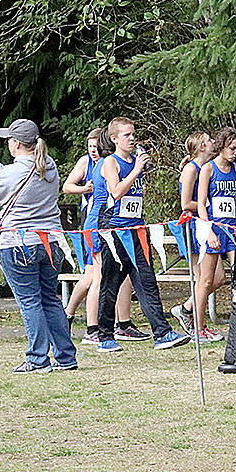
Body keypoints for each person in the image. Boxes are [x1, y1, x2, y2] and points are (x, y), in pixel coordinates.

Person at [0, 119, 77, 374]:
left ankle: (38, 358)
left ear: (16, 143)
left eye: (9, 140)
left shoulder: (14, 172)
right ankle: (65, 356)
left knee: (29, 301)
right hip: (51, 242)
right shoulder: (49, 166)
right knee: (50, 299)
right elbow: (18, 176)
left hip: (18, 243)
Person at [94, 117, 189, 353]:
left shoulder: (136, 162)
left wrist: (139, 175)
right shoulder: (109, 162)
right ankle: (104, 335)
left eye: (133, 134)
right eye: (126, 135)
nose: (132, 138)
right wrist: (136, 171)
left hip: (137, 229)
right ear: (115, 139)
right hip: (115, 231)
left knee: (147, 281)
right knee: (110, 284)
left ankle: (162, 332)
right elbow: (115, 192)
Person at [62, 128, 131, 345]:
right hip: (95, 222)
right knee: (98, 274)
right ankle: (92, 326)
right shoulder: (99, 163)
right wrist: (84, 188)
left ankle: (119, 323)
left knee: (101, 273)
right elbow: (67, 187)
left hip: (109, 222)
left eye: (95, 146)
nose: (93, 150)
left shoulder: (111, 162)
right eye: (90, 146)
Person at [193, 128, 236, 344]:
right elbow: (201, 204)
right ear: (221, 147)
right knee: (207, 279)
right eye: (231, 148)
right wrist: (208, 230)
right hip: (213, 228)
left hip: (233, 230)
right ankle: (198, 326)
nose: (235, 152)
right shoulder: (208, 169)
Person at [171, 130, 214, 334]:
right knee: (203, 279)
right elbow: (186, 203)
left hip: (203, 223)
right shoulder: (191, 169)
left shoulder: (207, 168)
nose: (213, 142)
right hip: (192, 225)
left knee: (216, 278)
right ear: (201, 146)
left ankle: (186, 308)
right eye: (209, 140)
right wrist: (209, 206)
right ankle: (198, 326)